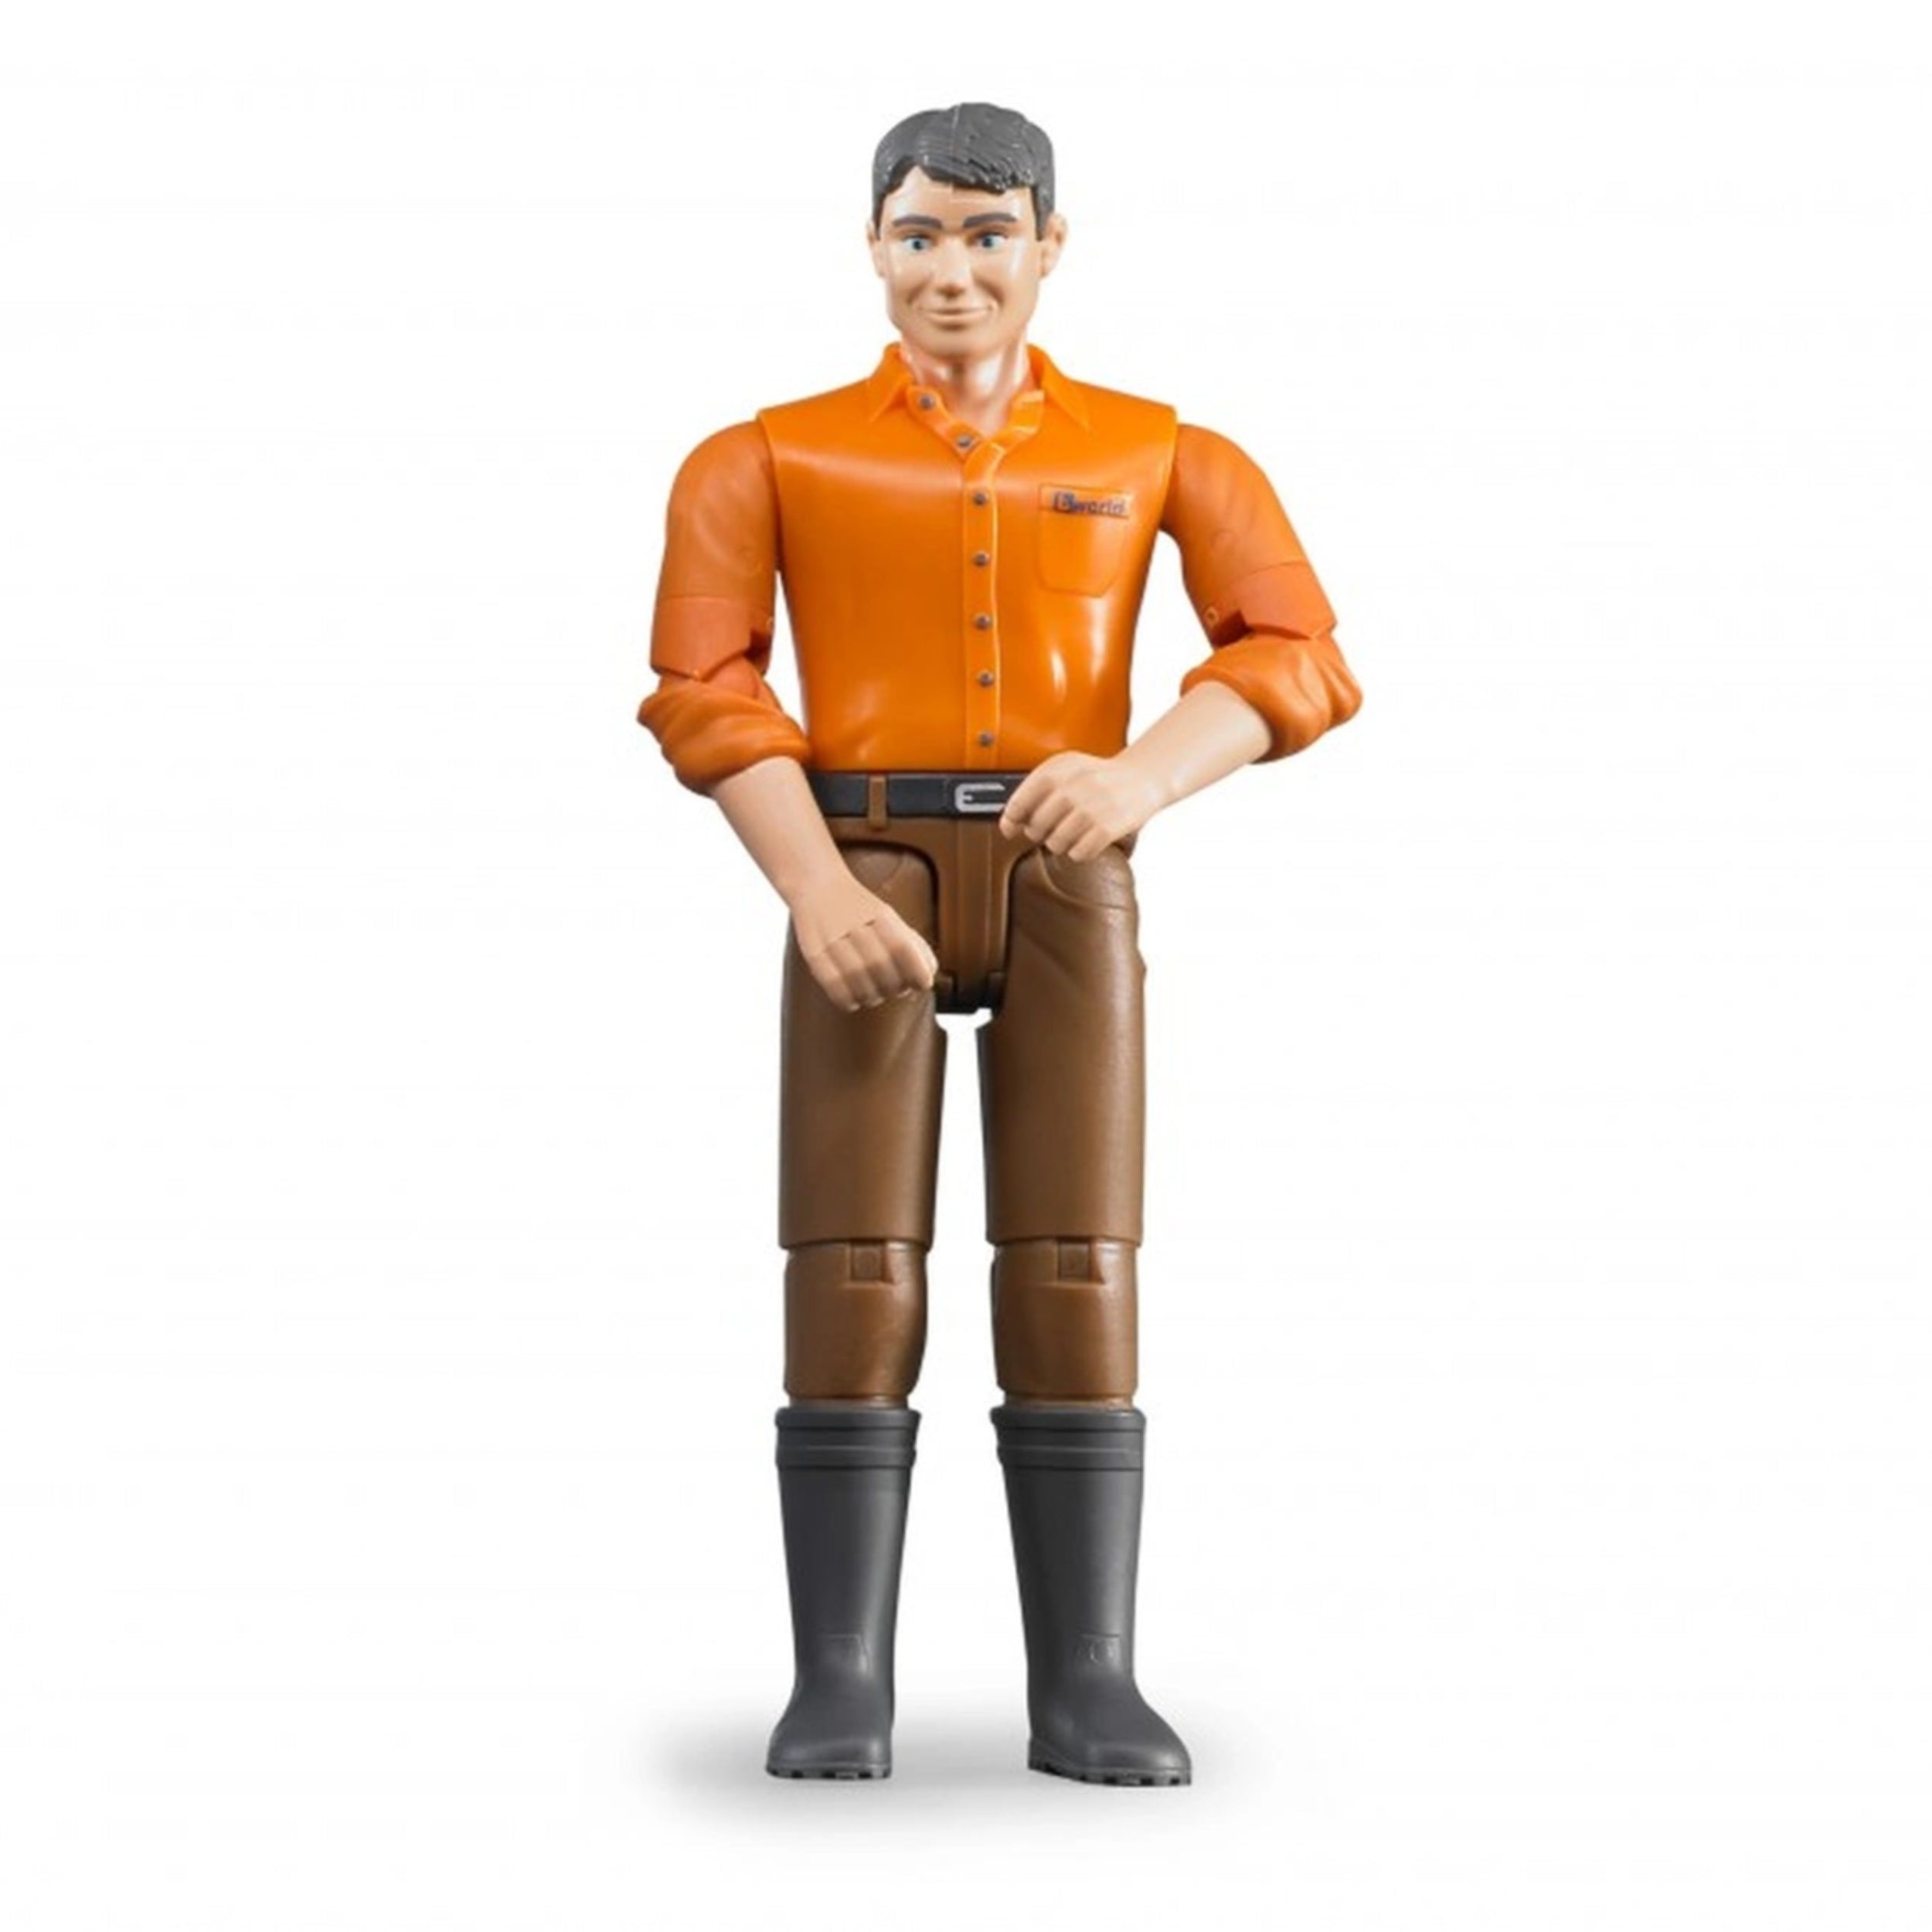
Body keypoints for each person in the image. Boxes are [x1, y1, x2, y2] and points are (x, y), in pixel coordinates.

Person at [639, 102, 1360, 1784]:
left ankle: (1087, 1678)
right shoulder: (762, 457)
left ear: (1049, 246)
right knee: (846, 1255)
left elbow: (1298, 653)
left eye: (985, 234)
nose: (951, 270)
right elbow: (705, 685)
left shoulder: (1161, 449)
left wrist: (1140, 775)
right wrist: (812, 885)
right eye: (918, 234)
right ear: (870, 247)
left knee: (1076, 1252)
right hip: (864, 867)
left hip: (1063, 868)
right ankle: (839, 1675)